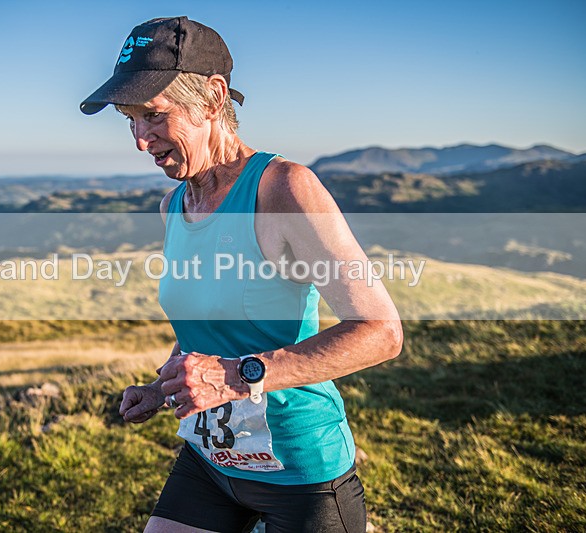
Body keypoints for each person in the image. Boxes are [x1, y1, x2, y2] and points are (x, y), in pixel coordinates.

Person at [80, 16, 402, 533]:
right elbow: (204, 331)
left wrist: (234, 376)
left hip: (303, 473)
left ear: (211, 98)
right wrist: (166, 387)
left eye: (154, 115)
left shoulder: (285, 189)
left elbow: (381, 333)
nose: (141, 140)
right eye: (129, 119)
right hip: (210, 461)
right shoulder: (173, 205)